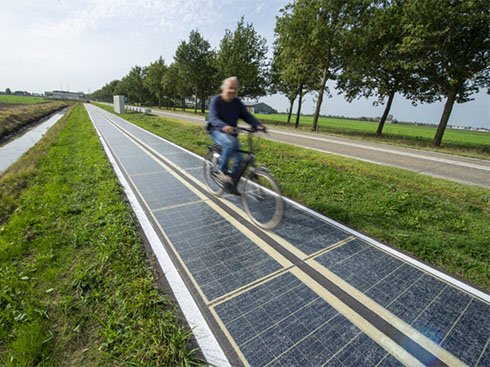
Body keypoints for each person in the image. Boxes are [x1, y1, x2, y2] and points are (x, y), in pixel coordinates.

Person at [206, 77, 265, 184]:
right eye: (230, 88)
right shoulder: (216, 100)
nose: (233, 91)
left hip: (231, 133)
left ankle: (231, 183)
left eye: (235, 89)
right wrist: (224, 126)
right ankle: (222, 172)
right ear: (223, 89)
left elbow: (247, 116)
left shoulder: (237, 102)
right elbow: (213, 118)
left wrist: (258, 125)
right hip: (216, 131)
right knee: (229, 143)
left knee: (240, 159)